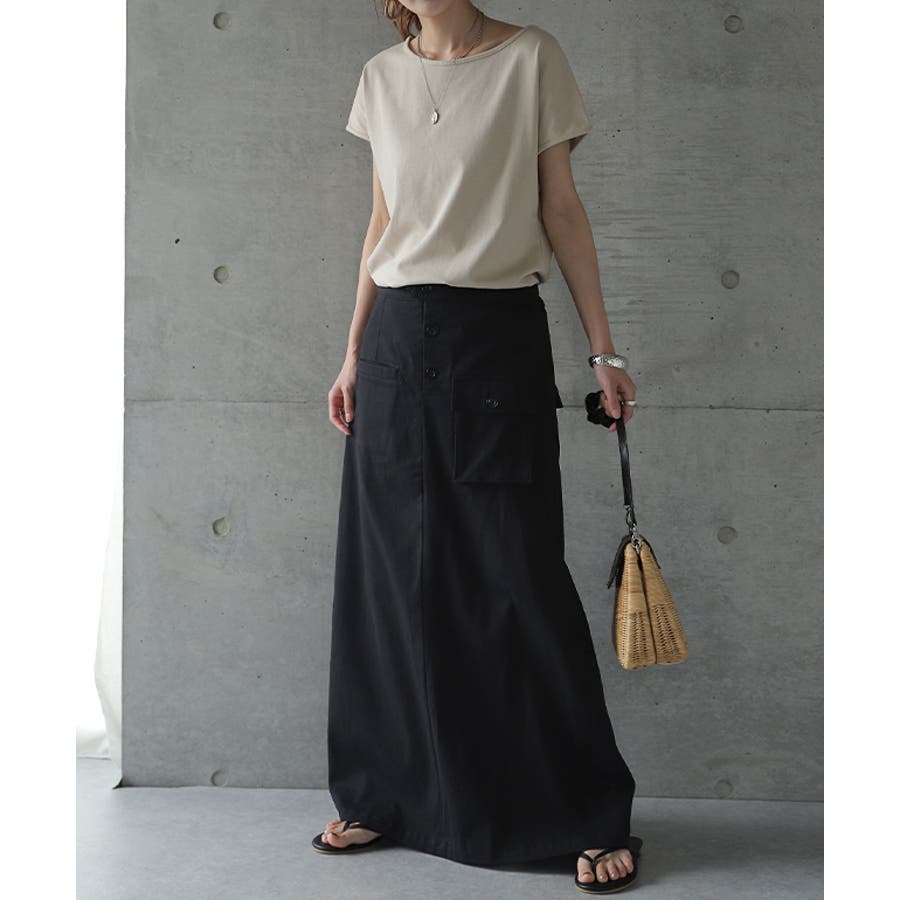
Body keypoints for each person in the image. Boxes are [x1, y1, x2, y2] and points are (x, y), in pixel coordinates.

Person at [314, 2, 641, 893]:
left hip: (494, 340)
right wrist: (352, 353)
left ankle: (585, 813)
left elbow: (560, 208)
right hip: (395, 342)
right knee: (390, 579)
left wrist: (604, 352)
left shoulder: (531, 59)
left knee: (515, 575)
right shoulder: (382, 77)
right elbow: (382, 221)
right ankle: (384, 794)